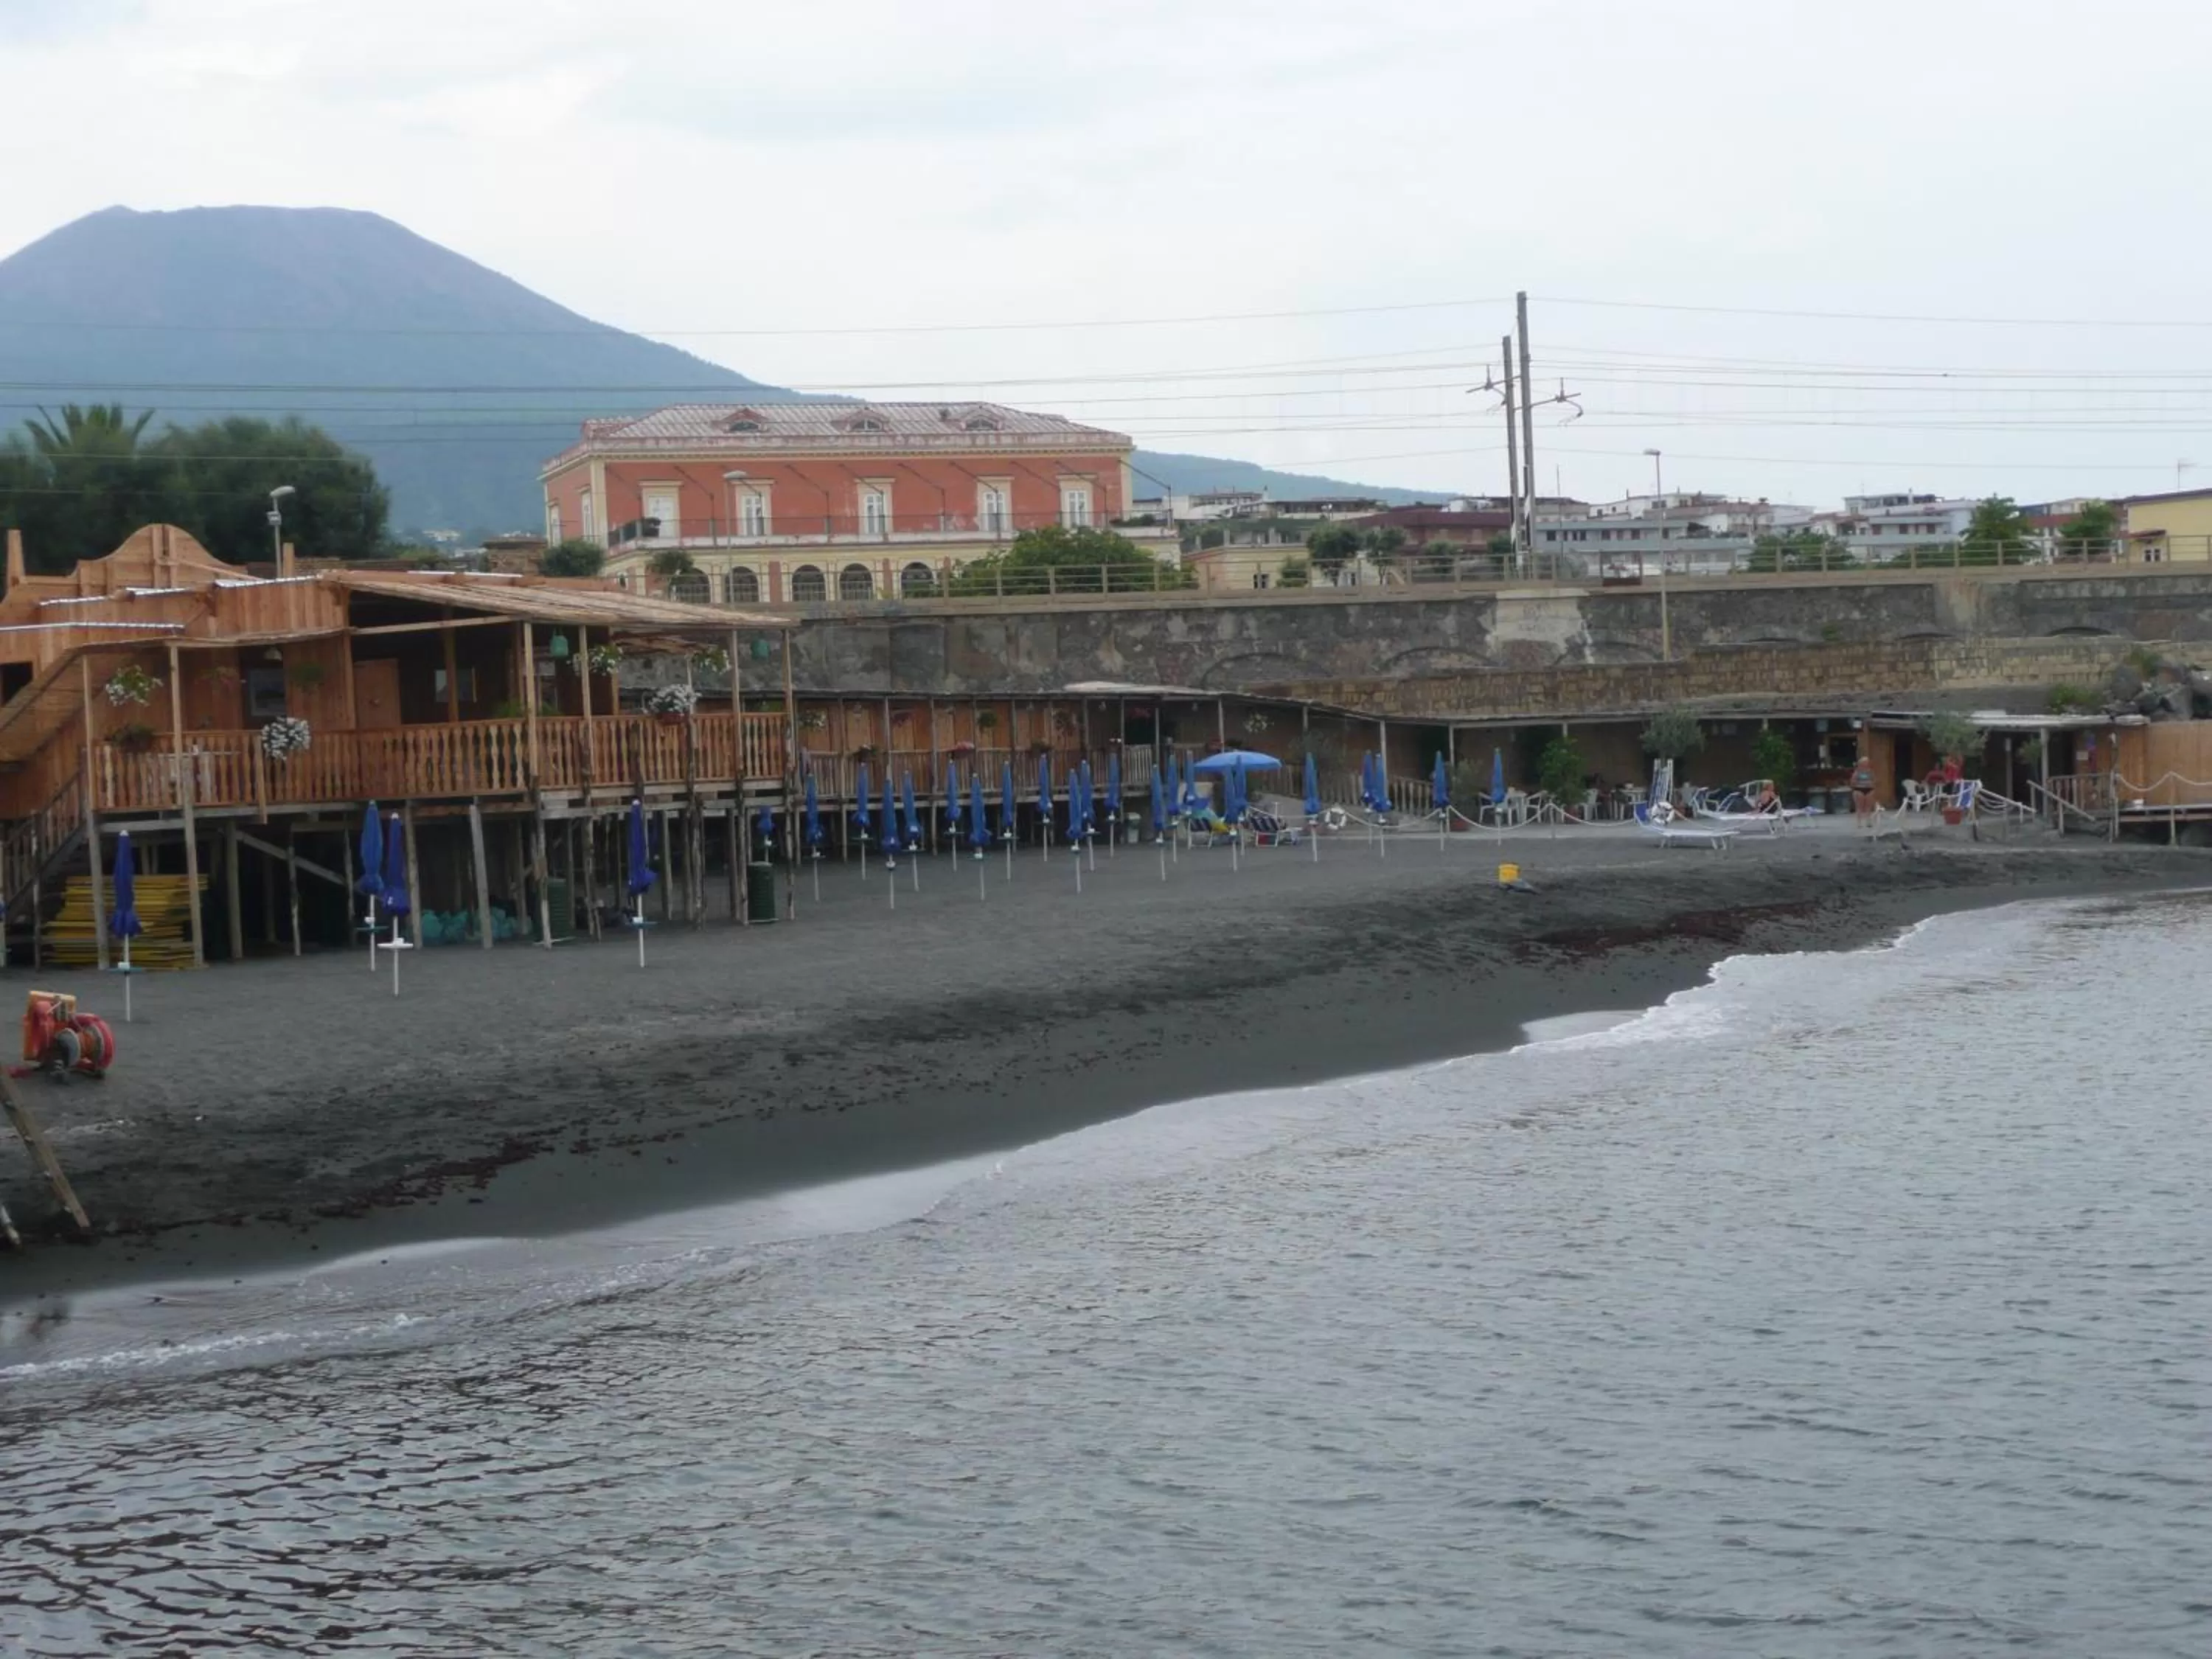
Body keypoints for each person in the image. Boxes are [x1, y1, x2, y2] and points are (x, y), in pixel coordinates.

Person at [1850, 749, 1877, 824]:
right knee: (1860, 807)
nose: (1866, 764)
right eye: (1864, 762)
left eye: (1867, 762)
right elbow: (1853, 781)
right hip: (1859, 789)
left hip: (1869, 789)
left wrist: (1871, 784)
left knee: (1868, 806)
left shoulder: (1870, 771)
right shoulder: (1857, 772)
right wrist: (1859, 784)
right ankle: (1859, 822)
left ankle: (1868, 821)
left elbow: (1874, 780)